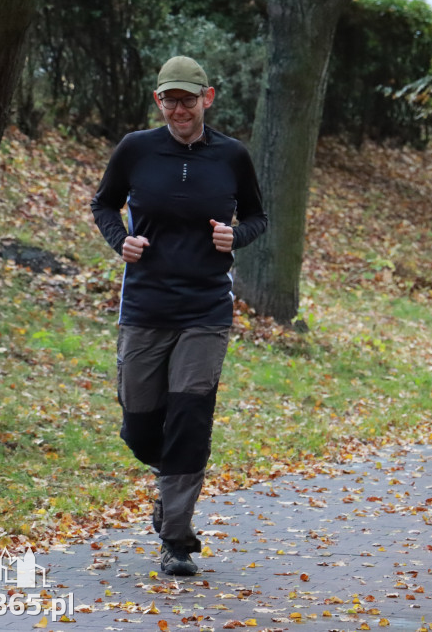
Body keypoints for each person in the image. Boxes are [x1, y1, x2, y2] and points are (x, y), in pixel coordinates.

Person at [91, 55, 267, 575]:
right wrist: (121, 240)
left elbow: (258, 216)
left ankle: (176, 540)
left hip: (205, 308)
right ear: (158, 100)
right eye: (170, 99)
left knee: (189, 421)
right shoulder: (136, 149)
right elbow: (103, 204)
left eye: (188, 99)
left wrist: (236, 236)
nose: (179, 108)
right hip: (145, 305)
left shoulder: (232, 157)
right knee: (139, 427)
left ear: (207, 98)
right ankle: (169, 484)